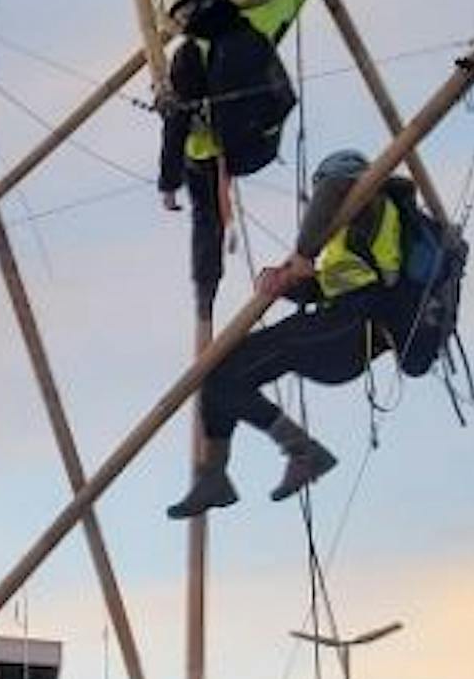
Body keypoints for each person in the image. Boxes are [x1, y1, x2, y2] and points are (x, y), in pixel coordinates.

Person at [168, 147, 417, 518]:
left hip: (352, 327)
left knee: (226, 370)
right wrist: (287, 285)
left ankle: (303, 452)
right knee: (219, 373)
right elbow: (330, 285)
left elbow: (334, 188)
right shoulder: (356, 228)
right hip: (338, 327)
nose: (318, 202)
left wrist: (302, 254)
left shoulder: (367, 198)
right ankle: (214, 476)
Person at [157, 0, 297, 319]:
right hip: (261, 145)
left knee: (206, 219)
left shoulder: (190, 52)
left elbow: (177, 122)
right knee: (209, 211)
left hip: (216, 157)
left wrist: (168, 182)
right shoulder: (252, 34)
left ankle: (205, 299)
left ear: (186, 10)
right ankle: (206, 294)